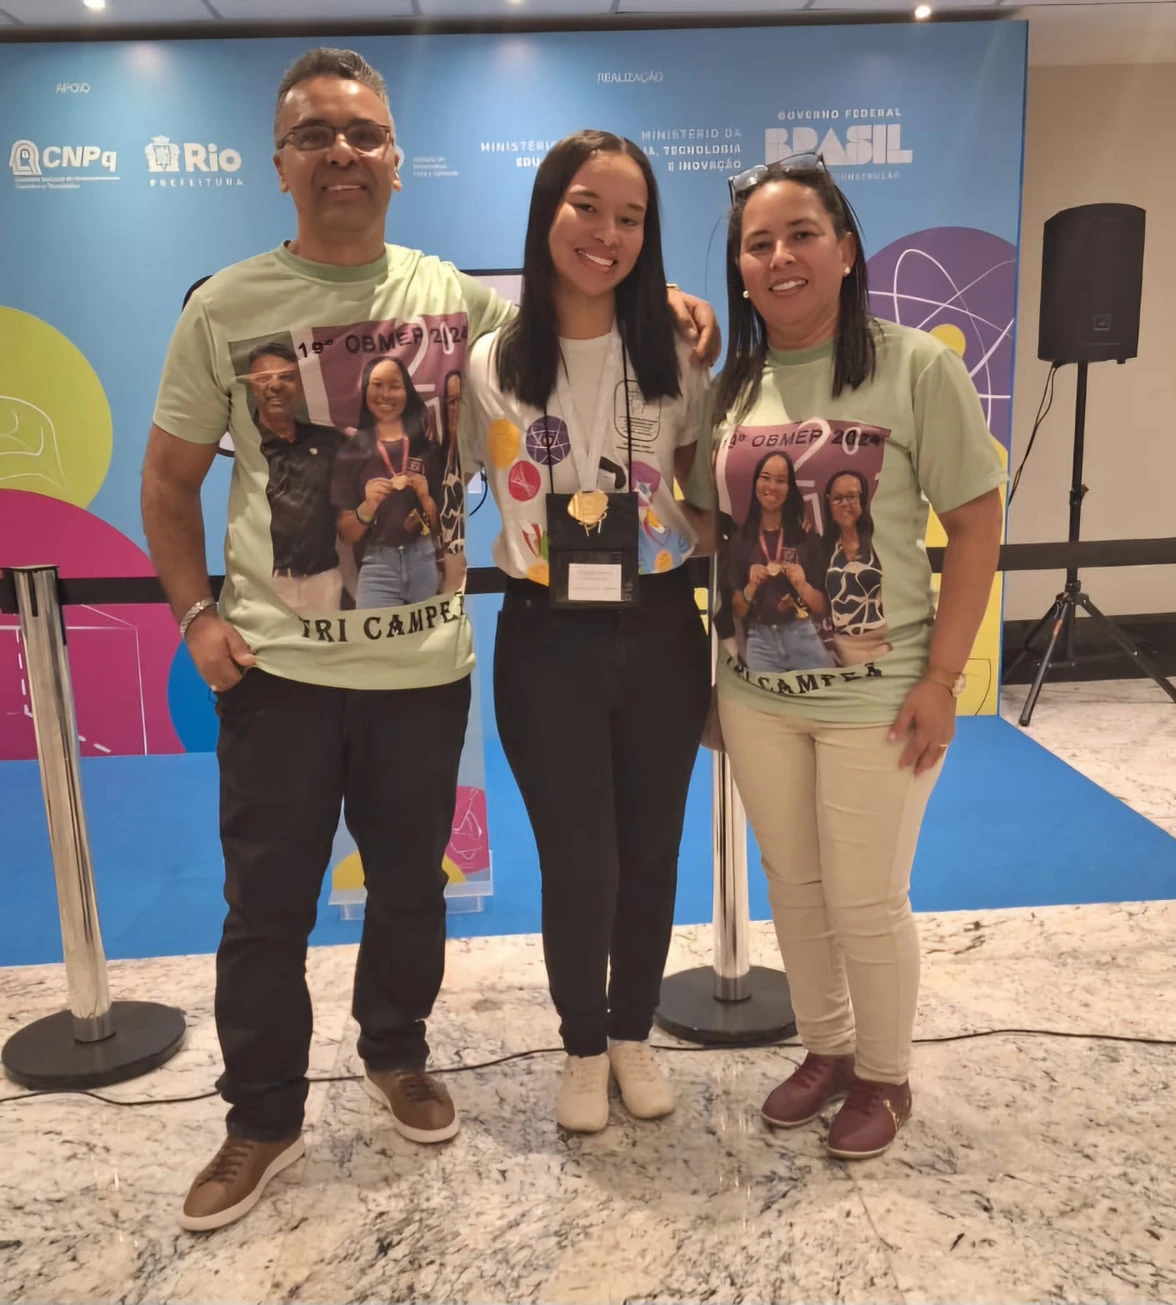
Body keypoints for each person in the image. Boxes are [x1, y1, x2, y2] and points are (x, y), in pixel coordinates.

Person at [140, 48, 717, 1233]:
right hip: (281, 672)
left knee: (411, 889)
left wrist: (668, 298)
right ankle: (260, 1119)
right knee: (266, 909)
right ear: (282, 162)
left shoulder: (458, 304)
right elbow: (167, 475)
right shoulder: (225, 306)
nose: (341, 152)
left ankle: (395, 1053)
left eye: (362, 134)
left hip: (423, 667)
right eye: (316, 135)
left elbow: (579, 333)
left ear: (397, 165)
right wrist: (197, 614)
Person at [685, 157, 1004, 1159]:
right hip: (757, 689)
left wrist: (944, 679)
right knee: (797, 883)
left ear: (846, 246)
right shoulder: (732, 386)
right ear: (739, 269)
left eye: (801, 235)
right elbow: (707, 526)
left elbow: (977, 523)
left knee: (868, 896)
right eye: (758, 243)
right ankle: (825, 1049)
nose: (780, 257)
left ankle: (884, 1074)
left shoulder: (915, 368)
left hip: (881, 692)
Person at [460, 131, 711, 1132]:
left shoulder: (680, 353)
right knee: (579, 858)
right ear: (545, 214)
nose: (606, 233)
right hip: (545, 636)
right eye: (585, 207)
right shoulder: (491, 363)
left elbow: (693, 481)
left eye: (630, 216)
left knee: (652, 849)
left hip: (659, 632)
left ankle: (632, 1034)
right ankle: (578, 1044)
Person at [331, 354, 444, 608]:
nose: (386, 394)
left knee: (427, 645)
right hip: (377, 564)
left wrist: (425, 497)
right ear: (364, 390)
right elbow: (347, 534)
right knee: (375, 648)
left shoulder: (427, 447)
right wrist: (367, 506)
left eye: (394, 386)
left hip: (424, 558)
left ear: (407, 391)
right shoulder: (351, 452)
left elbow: (444, 528)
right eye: (377, 385)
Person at [243, 342, 347, 611]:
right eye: (264, 378)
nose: (275, 385)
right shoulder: (243, 443)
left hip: (324, 582)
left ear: (299, 385)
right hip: (264, 585)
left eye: (286, 377)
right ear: (252, 387)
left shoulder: (330, 442)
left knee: (327, 654)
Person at [724, 449, 832, 673]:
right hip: (761, 643)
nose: (771, 486)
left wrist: (802, 586)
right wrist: (751, 586)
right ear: (755, 483)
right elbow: (738, 610)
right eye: (765, 478)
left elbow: (823, 608)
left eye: (781, 480)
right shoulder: (741, 540)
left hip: (803, 637)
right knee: (765, 708)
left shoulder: (807, 538)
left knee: (818, 705)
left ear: (790, 488)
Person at [821, 468, 892, 665]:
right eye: (838, 498)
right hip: (845, 647)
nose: (845, 504)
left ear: (863, 500)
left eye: (851, 497)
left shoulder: (880, 541)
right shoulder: (825, 548)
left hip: (885, 643)